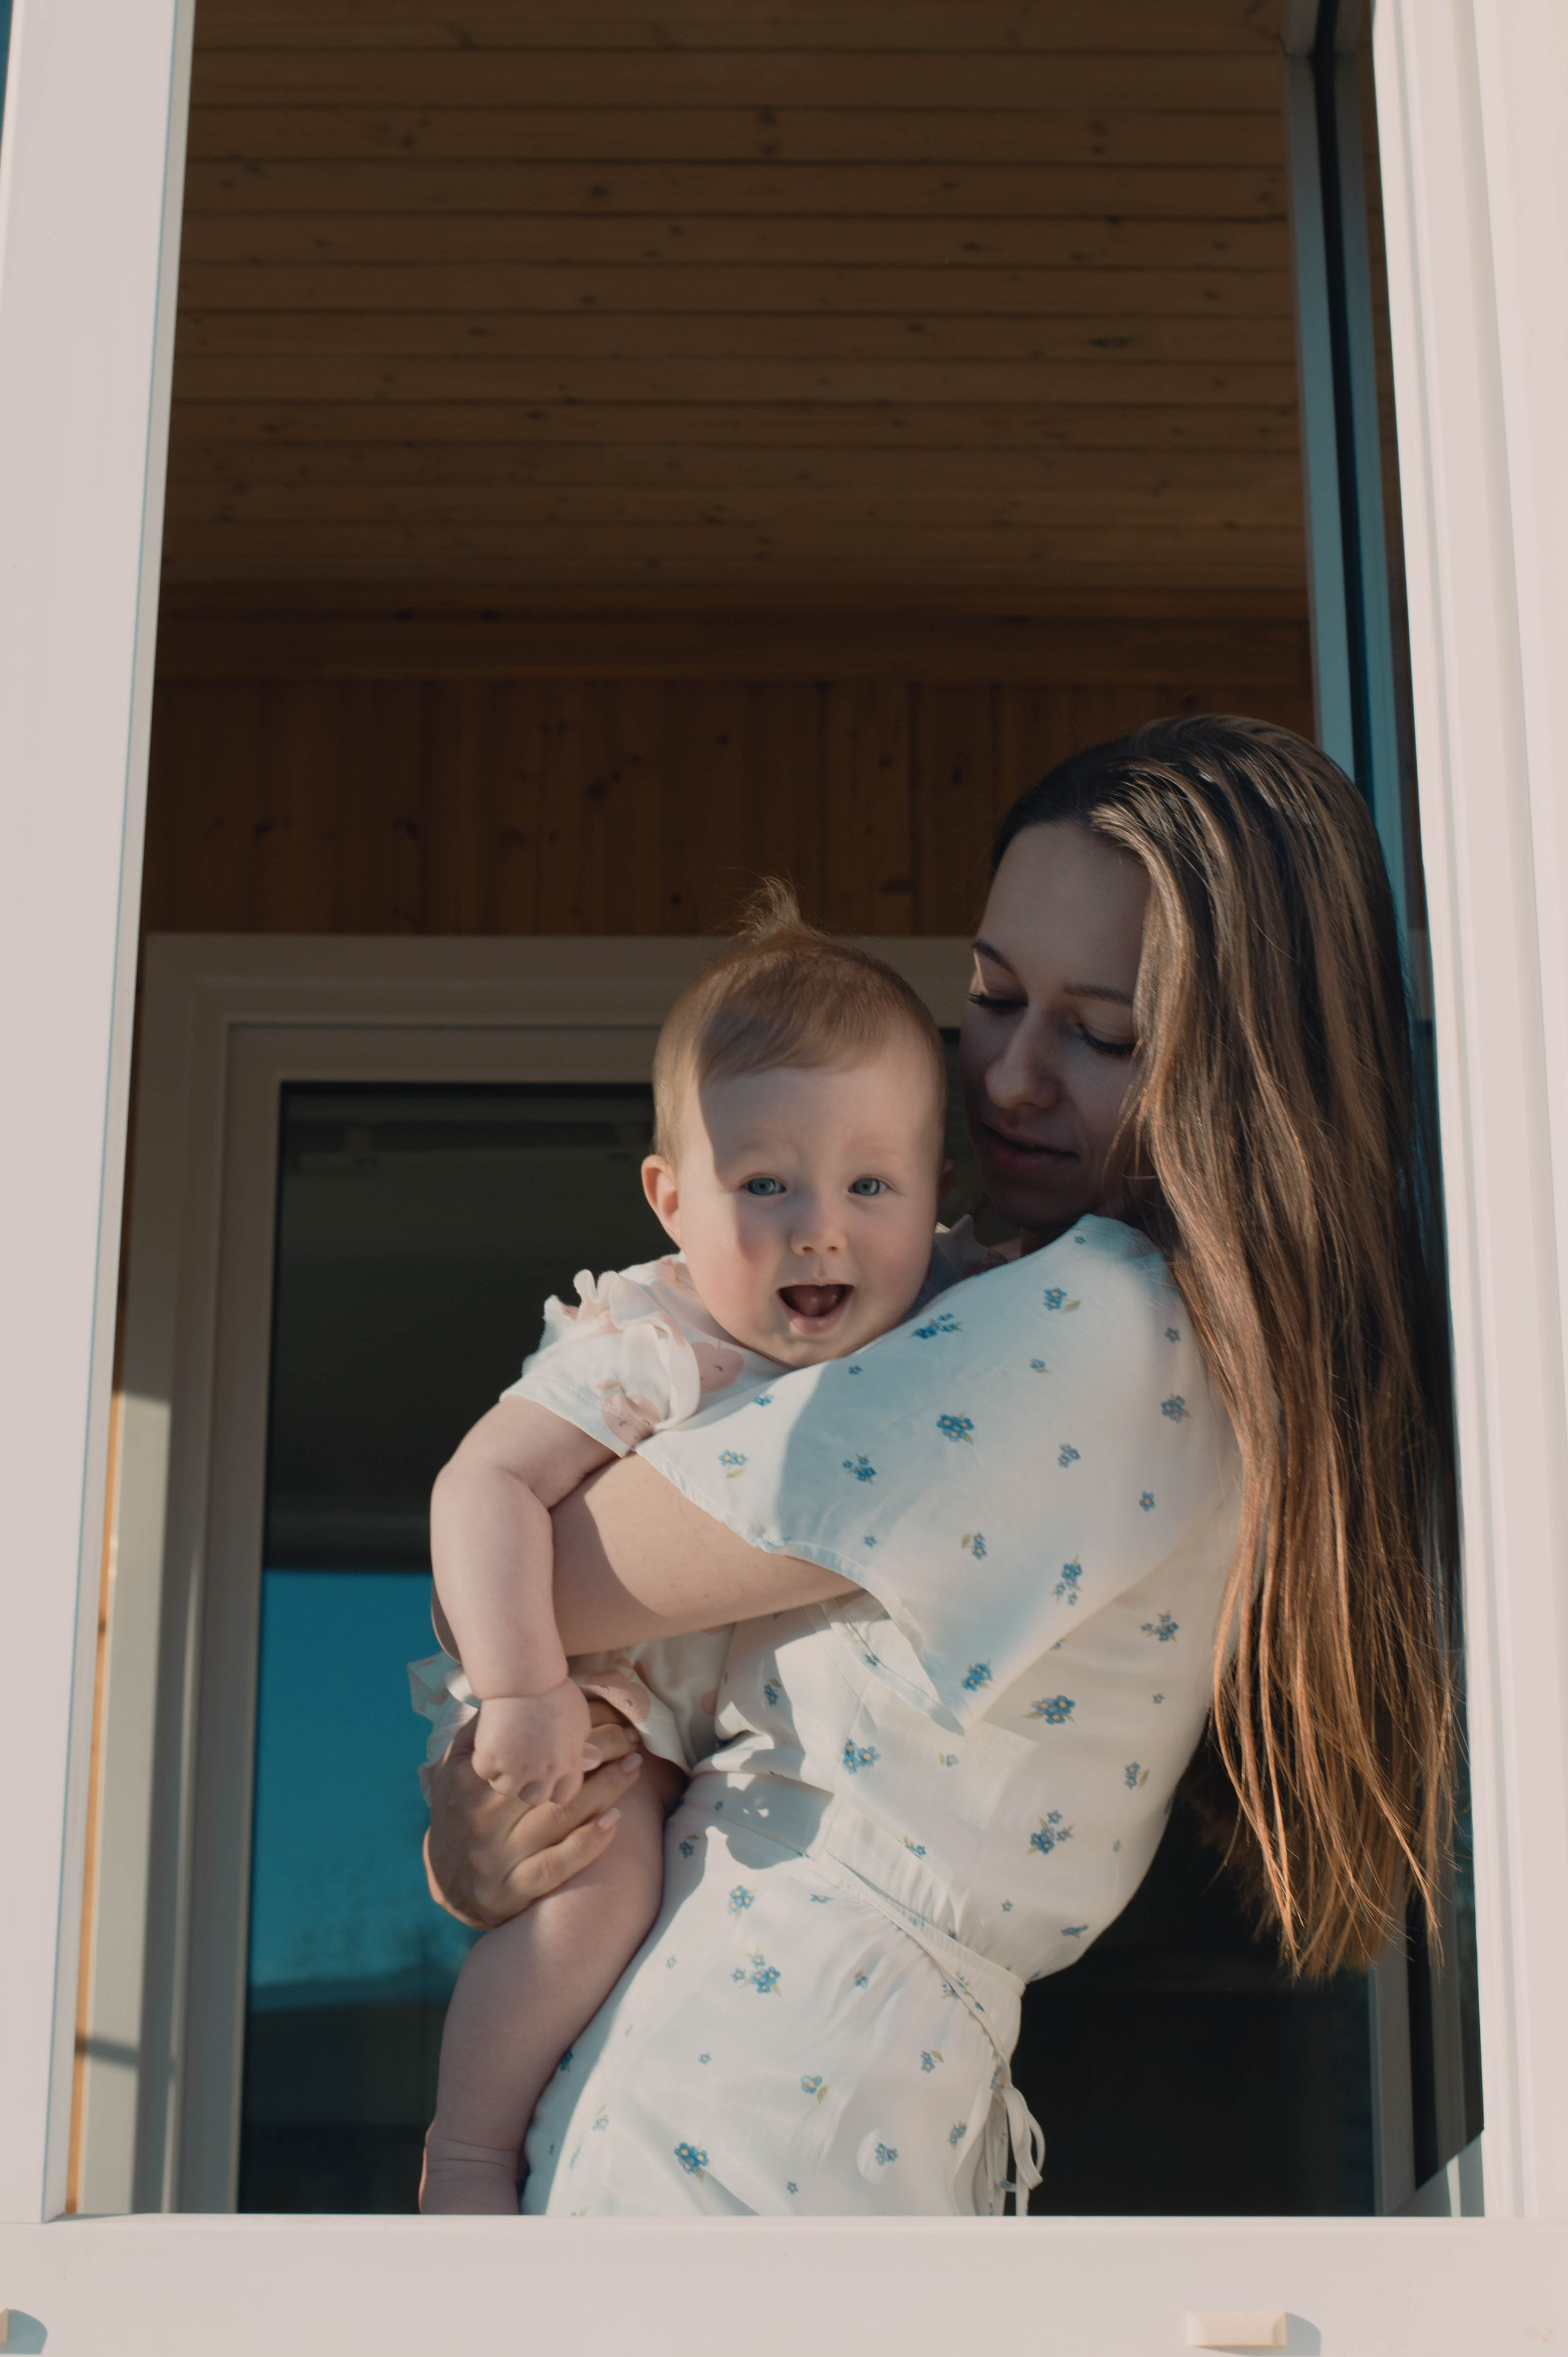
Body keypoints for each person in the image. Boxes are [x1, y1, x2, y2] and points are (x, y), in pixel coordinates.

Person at [423, 715, 1457, 2217]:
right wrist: (507, 1836)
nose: (1013, 1078)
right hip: (830, 2076)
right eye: (987, 997)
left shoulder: (1098, 1324)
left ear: (1240, 1064)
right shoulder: (1114, 1322)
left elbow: (554, 1565)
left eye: (1099, 1031)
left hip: (754, 2076)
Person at [416, 896, 990, 2212]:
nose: (821, 1227)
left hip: (728, 1751)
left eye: (869, 1183)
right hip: (597, 1700)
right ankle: (463, 2152)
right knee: (593, 1899)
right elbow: (482, 1484)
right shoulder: (655, 1342)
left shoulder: (947, 1312)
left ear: (931, 1193)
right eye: (764, 1182)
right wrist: (519, 1687)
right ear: (672, 1202)